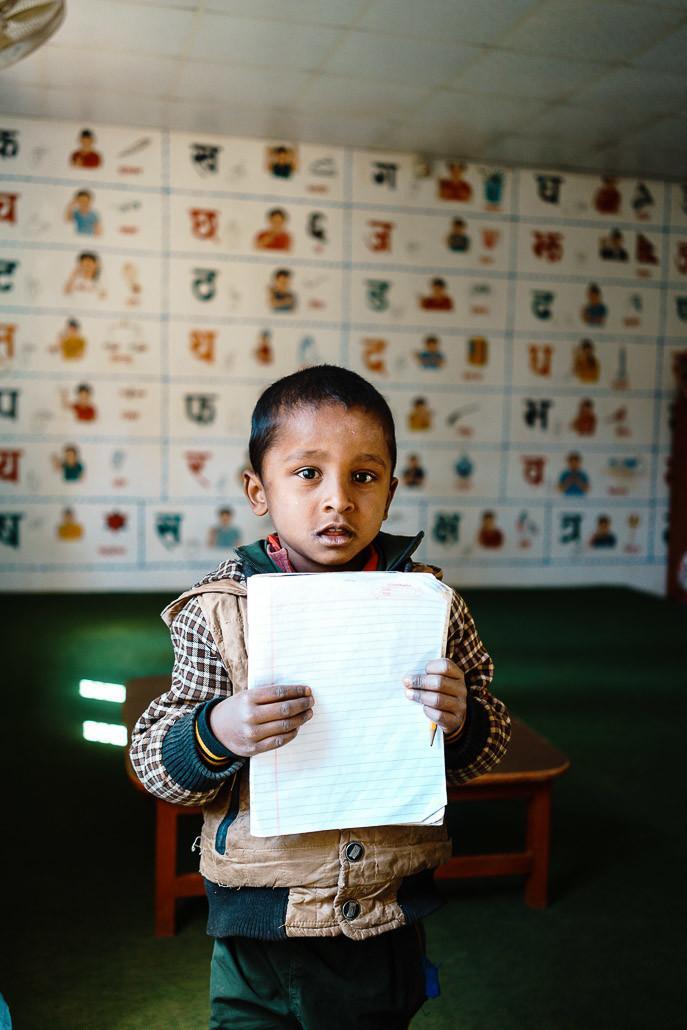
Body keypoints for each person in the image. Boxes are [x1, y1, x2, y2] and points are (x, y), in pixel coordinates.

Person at [130, 365, 510, 1030]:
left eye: (363, 476)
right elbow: (154, 765)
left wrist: (461, 720)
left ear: (390, 492)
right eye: (308, 473)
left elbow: (488, 745)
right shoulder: (217, 611)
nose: (337, 499)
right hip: (258, 921)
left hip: (384, 911)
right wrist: (217, 730)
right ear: (258, 490)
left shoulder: (430, 605)